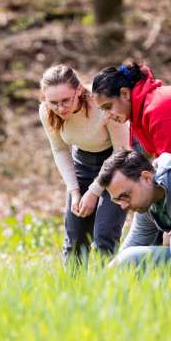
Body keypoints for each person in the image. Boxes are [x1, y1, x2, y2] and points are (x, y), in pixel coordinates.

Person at [38, 64, 129, 266]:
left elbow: (121, 151)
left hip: (117, 162)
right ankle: (73, 291)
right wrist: (75, 191)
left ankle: (107, 287)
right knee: (75, 237)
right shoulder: (46, 111)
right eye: (54, 102)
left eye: (66, 100)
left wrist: (95, 191)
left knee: (104, 235)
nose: (60, 108)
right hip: (83, 163)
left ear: (79, 90)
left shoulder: (103, 104)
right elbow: (60, 150)